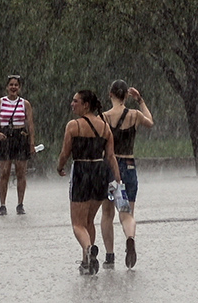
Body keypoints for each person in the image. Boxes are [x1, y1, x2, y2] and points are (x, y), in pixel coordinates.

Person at [56, 89, 120, 275]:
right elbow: (111, 156)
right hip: (100, 172)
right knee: (89, 221)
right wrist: (117, 179)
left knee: (77, 224)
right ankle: (87, 262)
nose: (72, 104)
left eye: (76, 101)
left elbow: (65, 153)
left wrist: (59, 167)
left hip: (81, 172)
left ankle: (89, 249)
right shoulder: (105, 127)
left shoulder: (73, 126)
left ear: (86, 105)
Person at [99, 80, 154, 269]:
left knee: (107, 213)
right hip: (129, 166)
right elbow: (150, 122)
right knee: (127, 213)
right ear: (126, 96)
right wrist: (140, 101)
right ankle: (130, 238)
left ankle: (109, 255)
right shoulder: (134, 115)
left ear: (110, 94)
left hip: (110, 168)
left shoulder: (104, 117)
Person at [0, 74, 36, 216]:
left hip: (20, 136)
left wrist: (31, 143)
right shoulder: (0, 102)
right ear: (7, 87)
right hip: (5, 137)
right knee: (4, 172)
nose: (13, 87)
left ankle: (20, 204)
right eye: (11, 84)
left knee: (21, 172)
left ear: (19, 87)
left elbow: (30, 123)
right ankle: (2, 205)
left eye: (16, 85)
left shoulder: (25, 103)